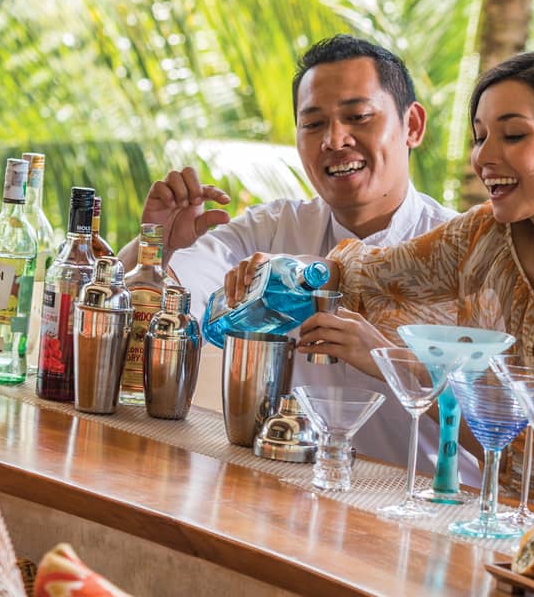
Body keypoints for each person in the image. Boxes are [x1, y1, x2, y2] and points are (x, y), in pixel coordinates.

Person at [227, 49, 534, 537]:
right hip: (500, 534)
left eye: (513, 135)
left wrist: (397, 365)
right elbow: (370, 272)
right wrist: (290, 269)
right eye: (480, 137)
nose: (485, 158)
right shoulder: (490, 236)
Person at [117, 35, 460, 473]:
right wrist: (156, 246)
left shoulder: (463, 249)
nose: (335, 140)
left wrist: (385, 357)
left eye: (358, 116)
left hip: (425, 506)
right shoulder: (273, 229)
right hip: (289, 489)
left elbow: (497, 417)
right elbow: (176, 301)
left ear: (412, 125)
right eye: (313, 124)